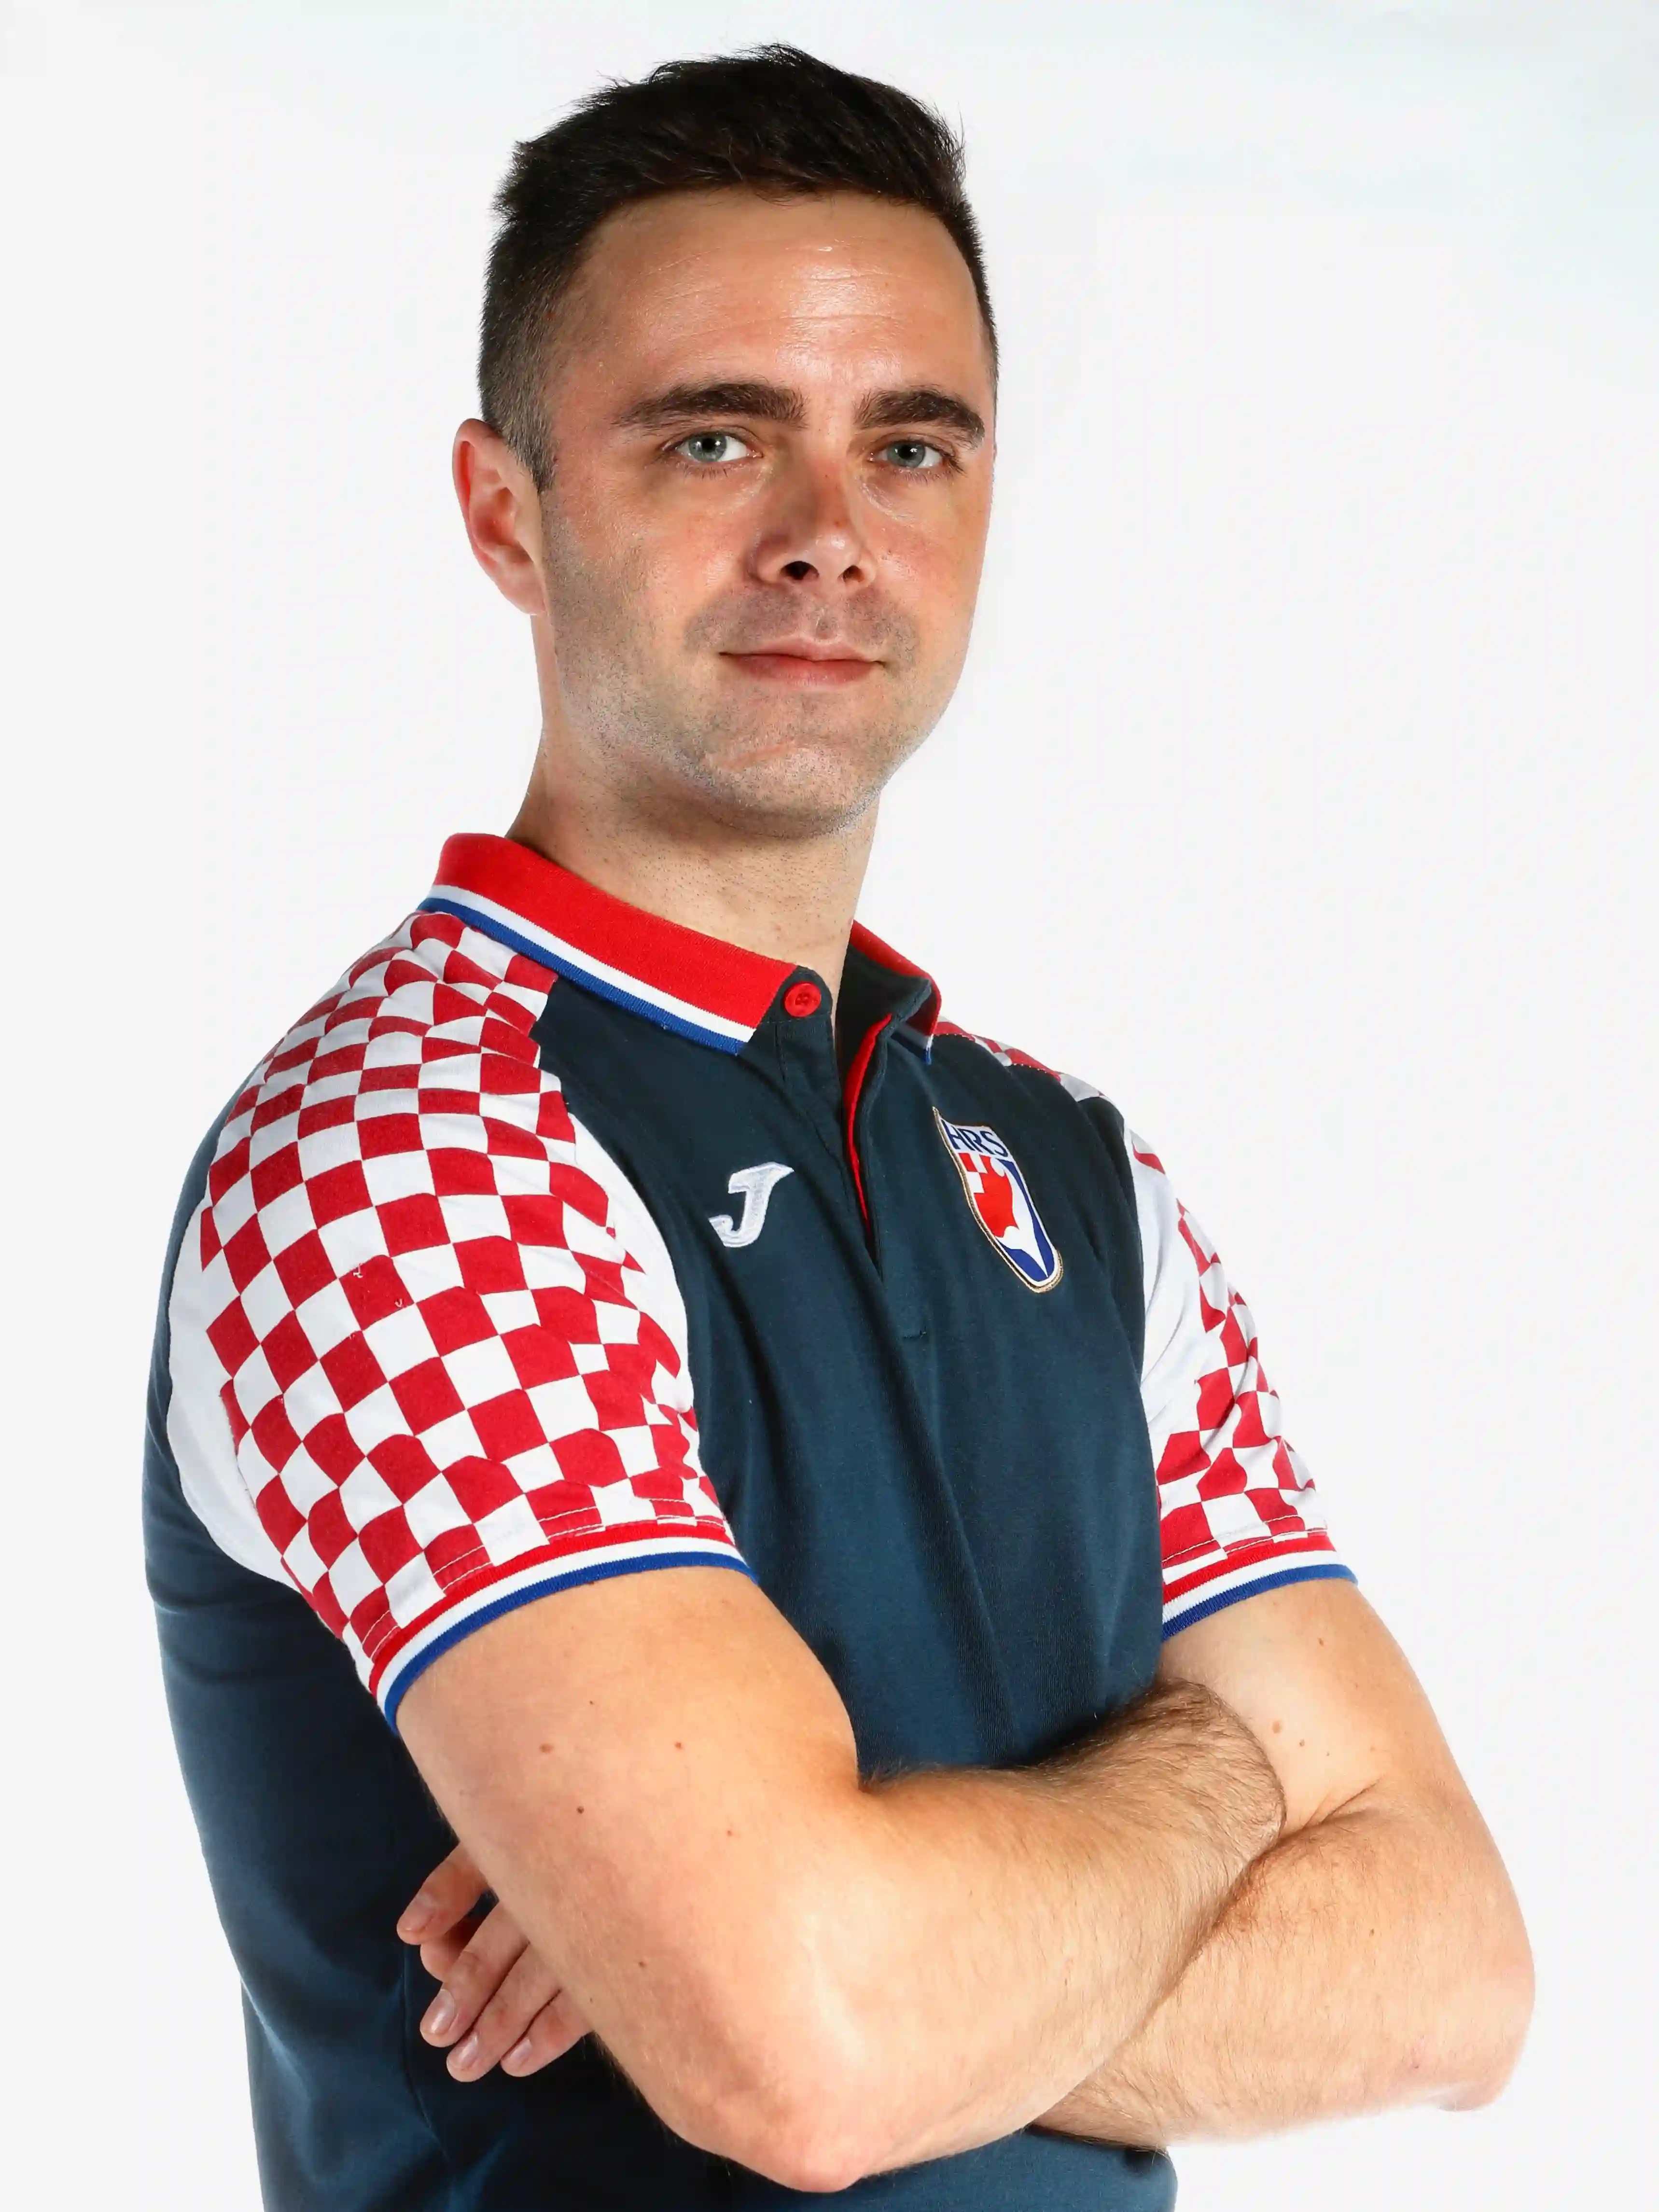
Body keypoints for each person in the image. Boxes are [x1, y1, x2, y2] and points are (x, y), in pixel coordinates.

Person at [144, 43, 1532, 2211]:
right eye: (713, 437)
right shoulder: (409, 1153)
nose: (825, 535)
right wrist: (1224, 1779)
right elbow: (811, 2053)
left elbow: (1451, 1964)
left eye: (910, 445)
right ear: (506, 511)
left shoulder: (1077, 1181)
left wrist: (845, 1913)